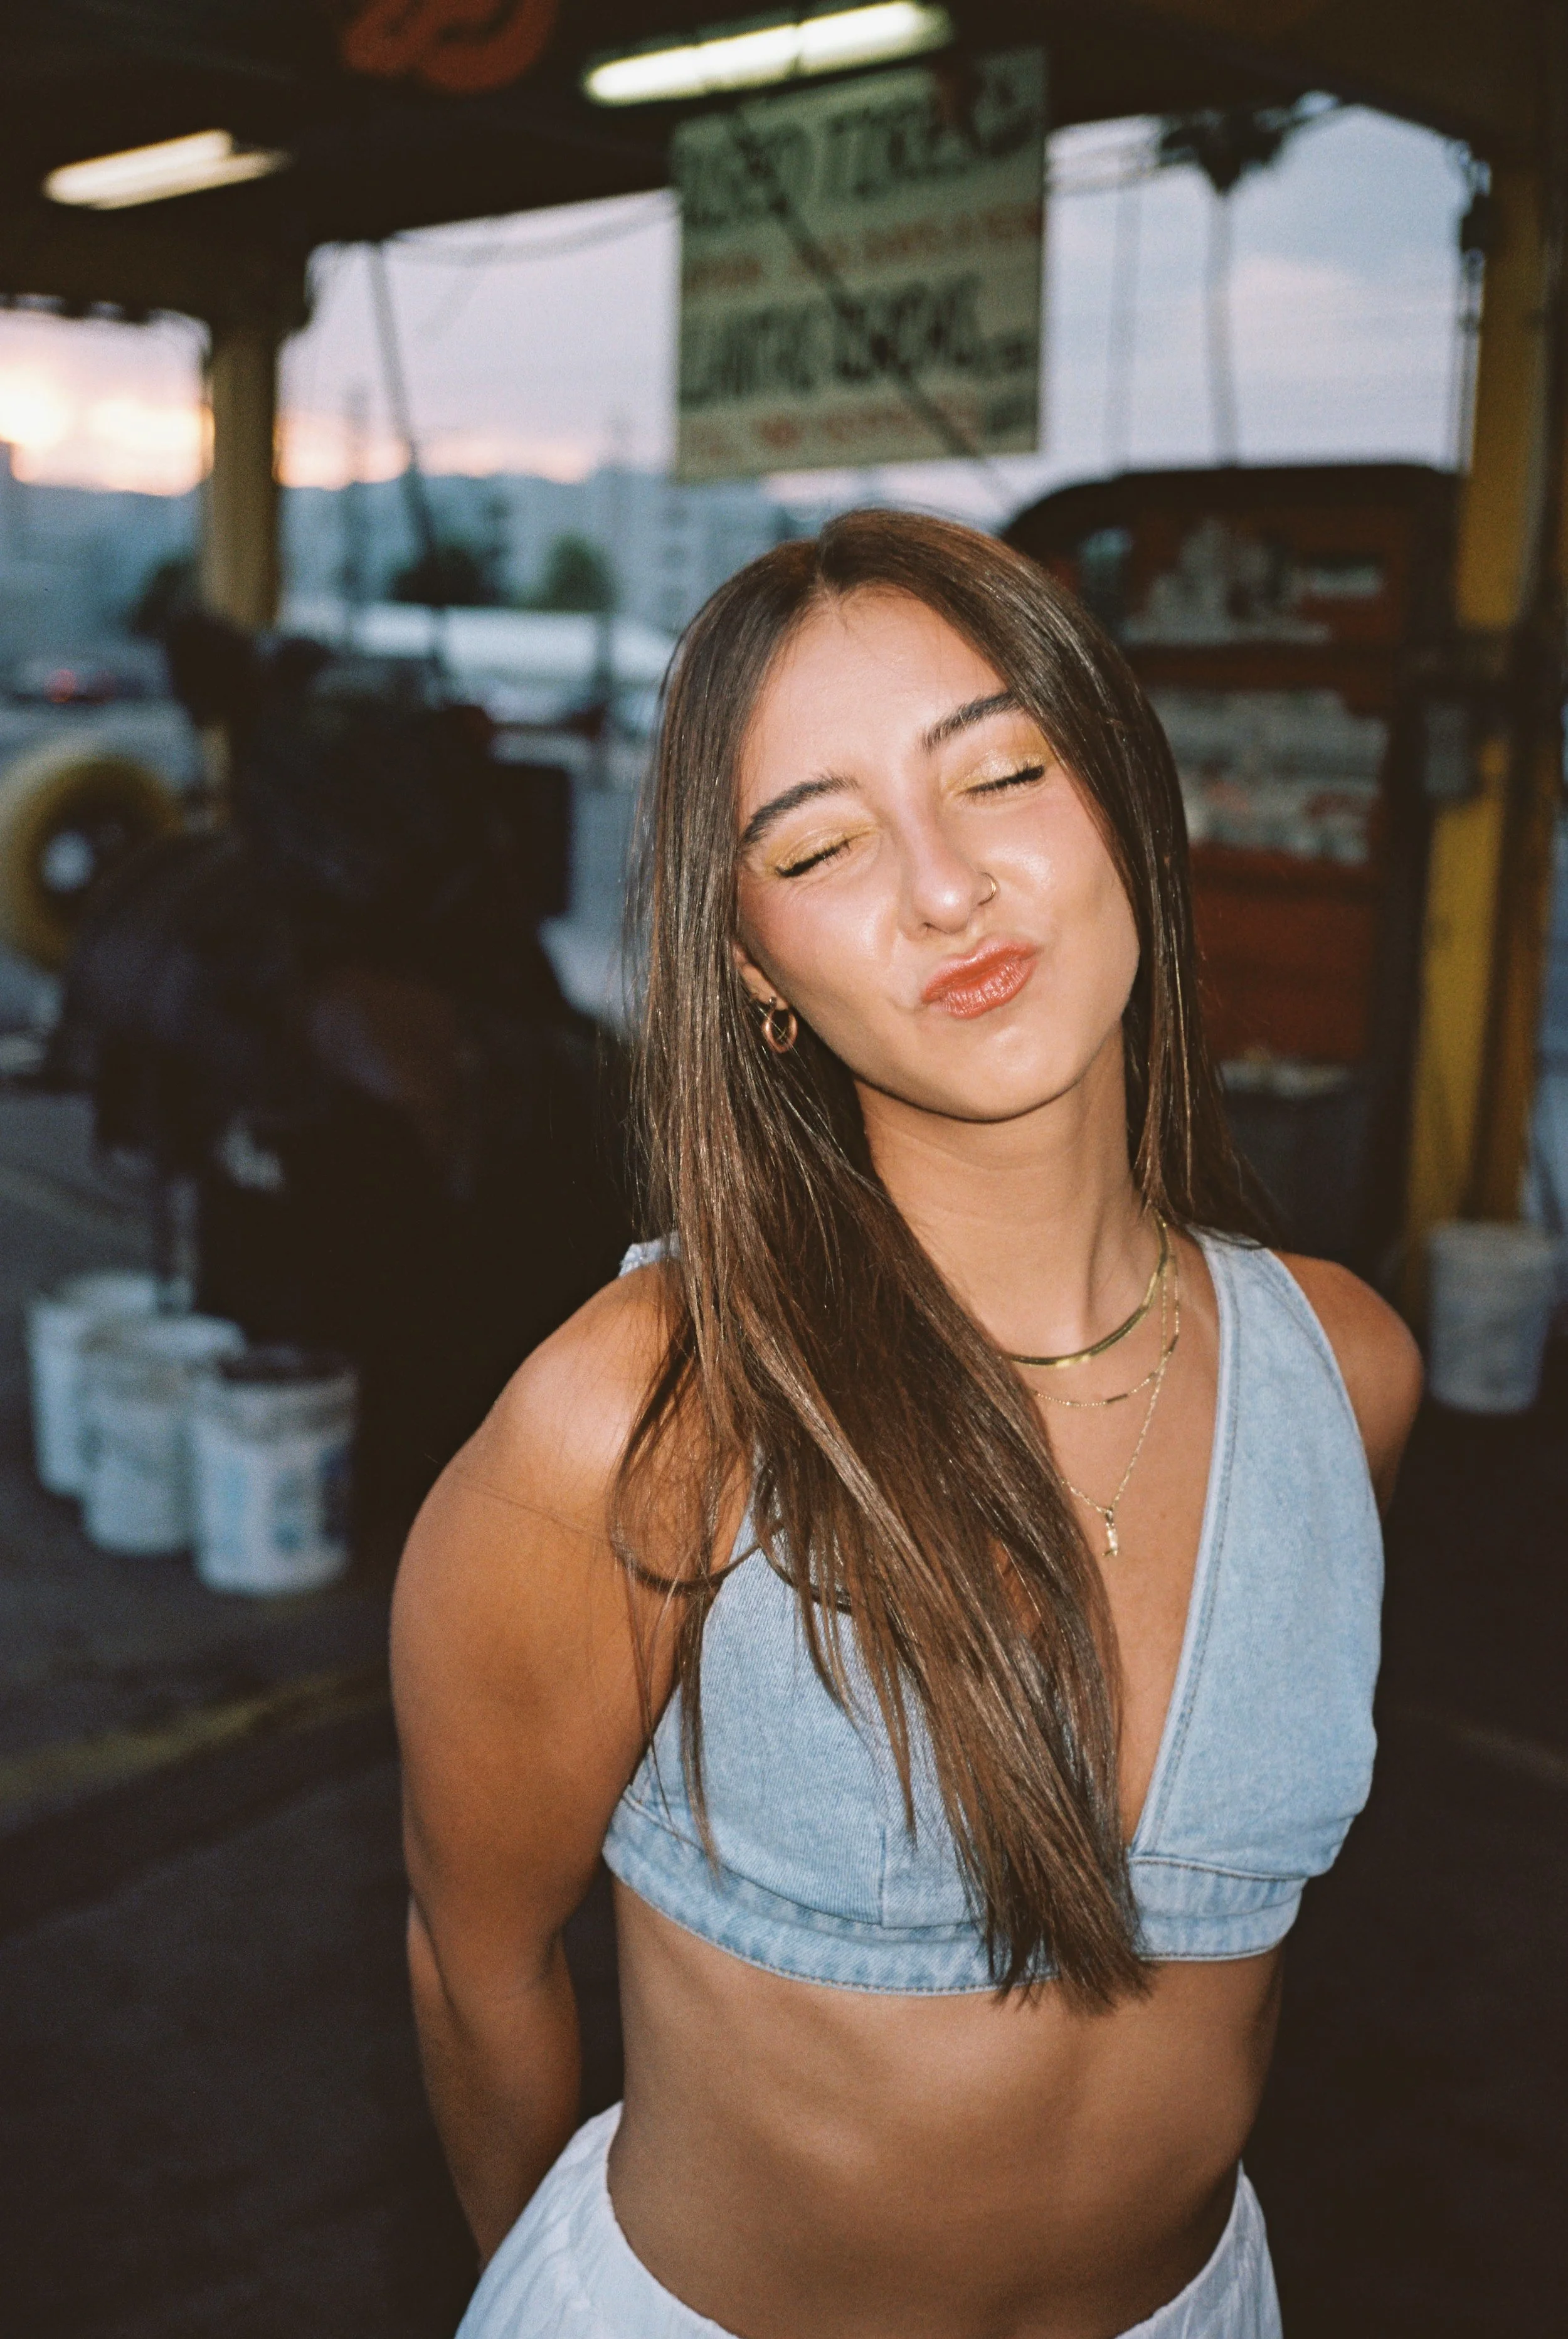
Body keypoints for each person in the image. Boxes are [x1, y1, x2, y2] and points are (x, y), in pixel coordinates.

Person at [393, 511, 1422, 2339]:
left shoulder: (1342, 1375)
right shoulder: (641, 1418)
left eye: (1002, 773)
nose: (945, 888)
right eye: (820, 844)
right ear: (759, 975)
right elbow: (477, 1964)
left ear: (1119, 800)